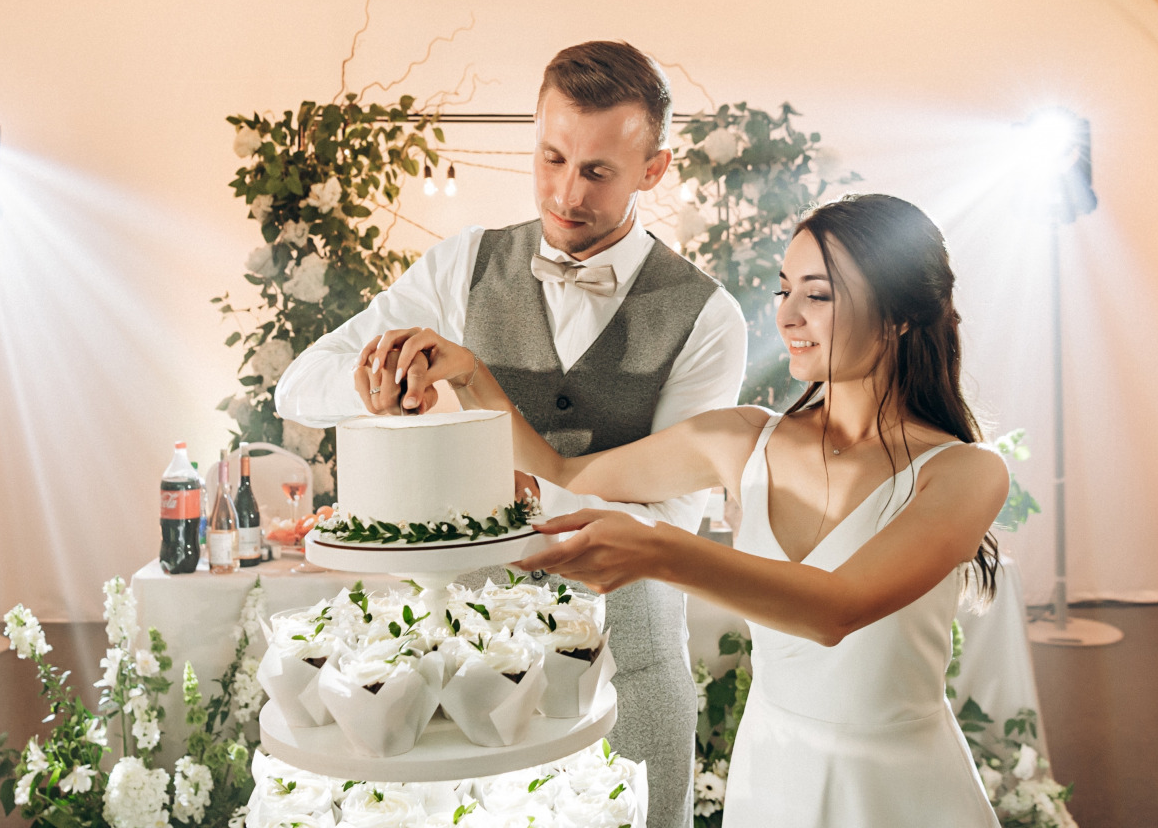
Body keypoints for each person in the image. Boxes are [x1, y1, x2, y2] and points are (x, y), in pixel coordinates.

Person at [372, 193, 1008, 827]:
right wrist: (469, 376)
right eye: (784, 290)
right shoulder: (743, 438)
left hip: (900, 790)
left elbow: (837, 608)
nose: (787, 315)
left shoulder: (966, 473)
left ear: (899, 314)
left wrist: (661, 551)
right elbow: (563, 473)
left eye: (818, 295)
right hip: (773, 777)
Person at [275, 40, 748, 827]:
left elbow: (668, 523)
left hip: (626, 670)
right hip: (463, 686)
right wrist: (375, 383)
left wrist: (519, 460)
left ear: (654, 170)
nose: (566, 193)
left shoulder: (706, 317)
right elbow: (300, 384)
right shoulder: (463, 266)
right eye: (551, 157)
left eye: (597, 171)